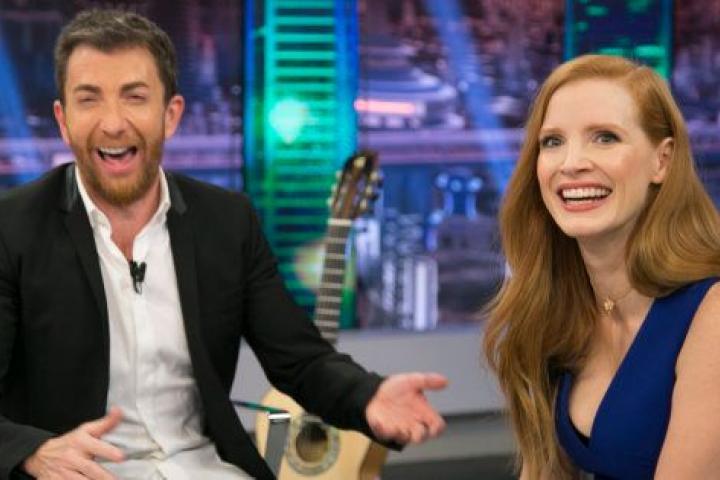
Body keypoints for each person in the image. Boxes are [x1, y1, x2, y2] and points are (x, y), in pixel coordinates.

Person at [0, 9, 448, 480]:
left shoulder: (227, 222)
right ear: (63, 120)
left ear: (171, 115)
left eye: (135, 97)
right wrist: (35, 451)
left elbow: (300, 358)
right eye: (89, 100)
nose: (113, 123)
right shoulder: (13, 229)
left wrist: (369, 396)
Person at [483, 54, 720, 479]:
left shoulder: (712, 313)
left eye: (605, 138)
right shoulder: (558, 304)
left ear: (662, 160)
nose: (571, 163)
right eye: (552, 142)